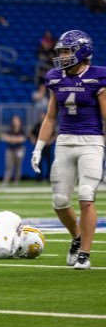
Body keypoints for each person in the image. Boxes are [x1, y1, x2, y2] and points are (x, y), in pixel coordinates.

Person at [31, 30, 106, 270]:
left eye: (66, 51)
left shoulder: (98, 77)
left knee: (86, 196)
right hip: (64, 141)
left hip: (91, 141)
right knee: (60, 200)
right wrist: (39, 146)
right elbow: (50, 117)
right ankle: (76, 237)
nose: (62, 56)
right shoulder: (55, 77)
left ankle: (85, 252)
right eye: (61, 52)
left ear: (82, 52)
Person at [0, 115, 26, 187]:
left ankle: (16, 182)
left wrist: (12, 139)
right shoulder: (10, 130)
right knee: (9, 167)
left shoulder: (21, 131)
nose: (16, 122)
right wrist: (15, 139)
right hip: (10, 150)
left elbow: (22, 139)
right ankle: (5, 182)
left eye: (17, 120)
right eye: (14, 120)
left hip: (19, 150)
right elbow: (6, 138)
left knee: (18, 167)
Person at [29, 112, 54, 182]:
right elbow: (31, 133)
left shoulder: (49, 125)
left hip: (48, 147)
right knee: (38, 162)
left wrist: (50, 141)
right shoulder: (37, 125)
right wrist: (34, 141)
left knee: (49, 162)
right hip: (40, 147)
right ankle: (39, 178)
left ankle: (49, 178)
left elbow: (54, 134)